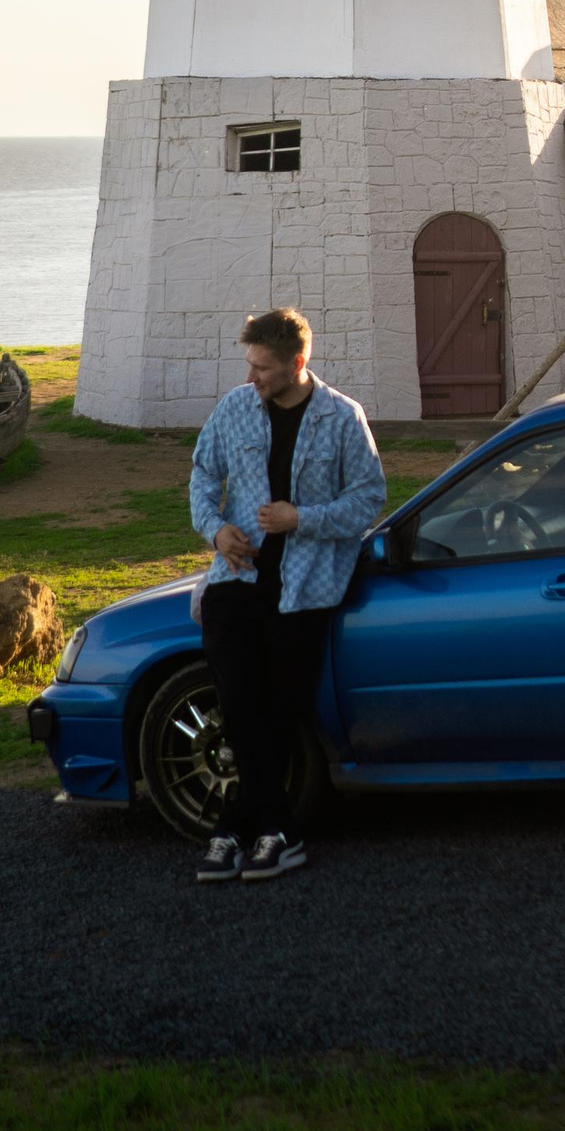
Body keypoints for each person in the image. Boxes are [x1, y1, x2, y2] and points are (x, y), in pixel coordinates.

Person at [185, 306, 385, 881]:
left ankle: (237, 829)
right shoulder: (234, 409)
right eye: (250, 365)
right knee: (240, 706)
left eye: (263, 368)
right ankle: (274, 831)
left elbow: (369, 498)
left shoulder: (343, 418)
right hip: (235, 583)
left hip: (306, 589)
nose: (251, 378)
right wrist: (215, 530)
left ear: (297, 363)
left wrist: (303, 518)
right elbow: (202, 476)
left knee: (278, 710)